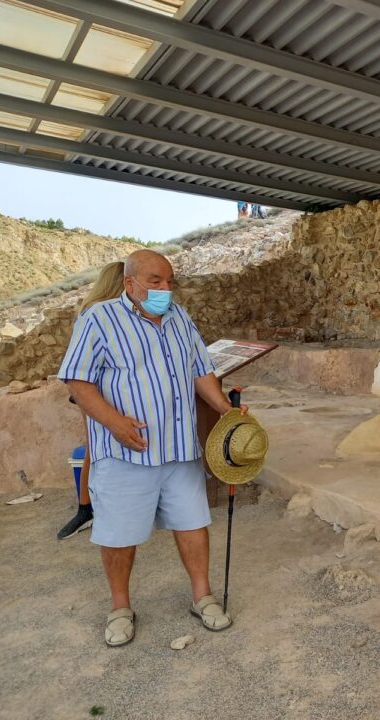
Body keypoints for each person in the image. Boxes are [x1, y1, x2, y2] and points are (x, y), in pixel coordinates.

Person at [57, 249, 248, 647]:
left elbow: (202, 371)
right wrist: (114, 422)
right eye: (155, 281)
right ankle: (121, 607)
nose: (165, 289)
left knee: (193, 523)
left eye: (169, 281)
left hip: (179, 449)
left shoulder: (180, 319)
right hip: (128, 450)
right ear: (130, 284)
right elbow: (78, 382)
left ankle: (202, 597)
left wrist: (226, 410)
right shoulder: (100, 319)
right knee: (119, 533)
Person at [57, 261, 125, 541]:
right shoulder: (96, 313)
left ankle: (88, 507)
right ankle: (87, 508)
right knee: (95, 449)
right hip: (96, 393)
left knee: (95, 448)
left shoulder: (95, 310)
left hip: (98, 392)